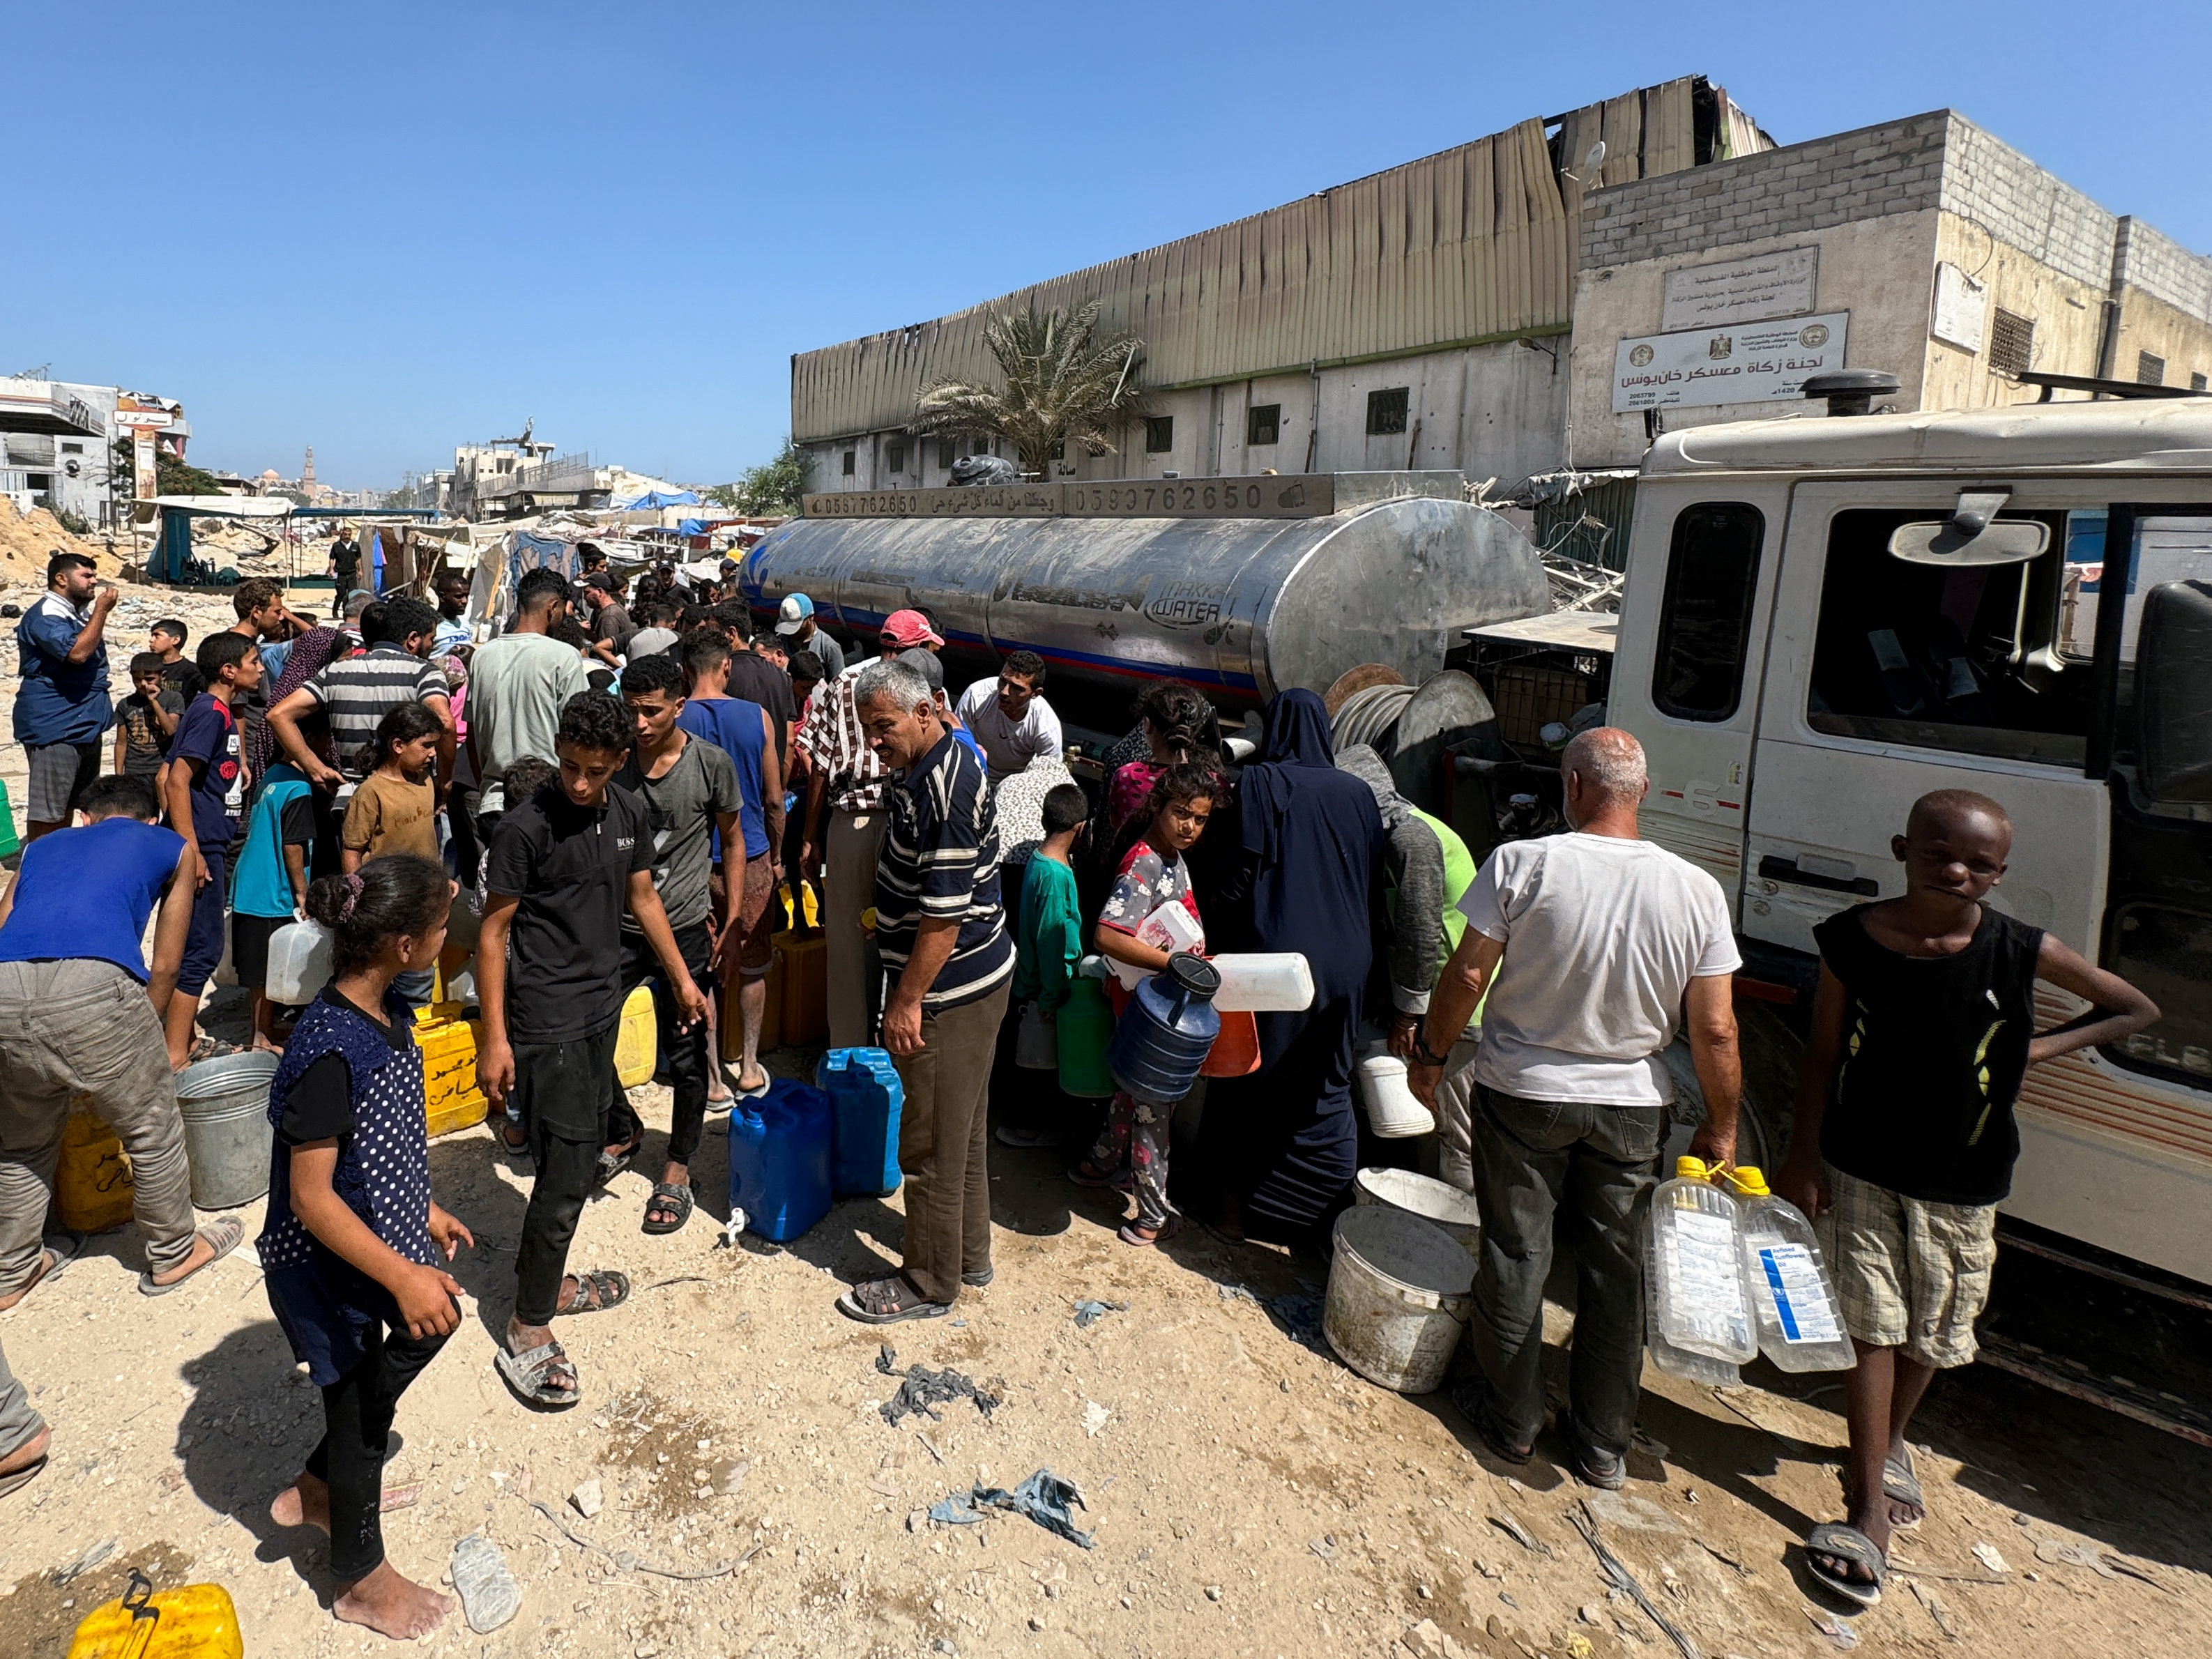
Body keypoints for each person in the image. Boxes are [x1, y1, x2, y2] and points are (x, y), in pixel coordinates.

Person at [1783, 790, 2156, 1603]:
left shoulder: (2017, 948)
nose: (1955, 871)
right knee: (1868, 1323)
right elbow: (1818, 1057)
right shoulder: (1850, 939)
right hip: (1860, 1163)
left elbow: (2133, 1008)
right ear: (1900, 848)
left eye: (1977, 864)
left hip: (1965, 1179)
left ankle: (1888, 1447)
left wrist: (2031, 1051)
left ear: (1998, 874)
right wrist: (1801, 1154)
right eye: (1937, 854)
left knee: (1932, 1331)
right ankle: (1867, 1503)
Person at [1407, 728, 1739, 1489]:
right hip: (1630, 1106)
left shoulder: (1522, 863)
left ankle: (1515, 1421)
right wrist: (1719, 1124)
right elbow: (1715, 1027)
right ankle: (1601, 1444)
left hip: (1523, 1094)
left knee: (1517, 1256)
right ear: (1641, 793)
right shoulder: (1694, 889)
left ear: (1574, 788)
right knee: (1615, 1274)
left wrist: (1429, 1057)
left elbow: (1464, 975)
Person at [476, 693, 708, 1408]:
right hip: (546, 1018)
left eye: (596, 772)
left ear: (617, 765)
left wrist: (681, 979)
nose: (580, 784)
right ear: (557, 748)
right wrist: (494, 1037)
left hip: (603, 1005)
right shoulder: (524, 828)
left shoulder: (627, 810)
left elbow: (641, 897)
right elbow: (493, 936)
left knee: (572, 1153)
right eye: (571, 767)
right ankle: (528, 1324)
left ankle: (546, 1281)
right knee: (570, 1167)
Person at [259, 857, 469, 1642]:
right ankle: (358, 1575)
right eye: (444, 931)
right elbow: (313, 1198)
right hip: (323, 1264)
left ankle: (319, 1489)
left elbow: (375, 1147)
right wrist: (403, 1274)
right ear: (407, 946)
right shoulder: (329, 1047)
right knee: (355, 1412)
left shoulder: (387, 1014)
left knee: (425, 1332)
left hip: (376, 1238)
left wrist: (425, 1208)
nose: (449, 942)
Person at [0, 773, 243, 1304]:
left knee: (20, 1142)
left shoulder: (41, 845)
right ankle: (175, 1254)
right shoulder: (171, 845)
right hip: (94, 983)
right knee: (151, 1129)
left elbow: (3, 923)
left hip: (4, 984)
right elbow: (167, 962)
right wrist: (143, 1032)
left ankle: (12, 1269)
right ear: (150, 818)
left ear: (85, 817)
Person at [836, 659, 1013, 1323]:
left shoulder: (948, 786)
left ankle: (929, 1282)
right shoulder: (920, 769)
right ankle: (967, 1253)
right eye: (866, 730)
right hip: (969, 981)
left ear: (927, 711)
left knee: (930, 1145)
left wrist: (904, 1001)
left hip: (949, 991)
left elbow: (944, 916)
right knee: (959, 1131)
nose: (874, 742)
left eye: (882, 728)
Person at [1195, 689, 1382, 1246]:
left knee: (1246, 1077)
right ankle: (1320, 1218)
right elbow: (1372, 878)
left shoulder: (1258, 785)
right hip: (1349, 959)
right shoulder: (1359, 793)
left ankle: (1231, 1214)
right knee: (1327, 1083)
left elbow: (1236, 876)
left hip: (1273, 963)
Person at [607, 654, 747, 1232]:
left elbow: (733, 841)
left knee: (688, 1056)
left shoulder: (710, 765)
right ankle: (622, 1129)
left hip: (686, 928)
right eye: (631, 711)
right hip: (614, 931)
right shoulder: (612, 765)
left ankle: (677, 1166)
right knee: (586, 1038)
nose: (639, 724)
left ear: (679, 706)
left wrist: (734, 918)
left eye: (651, 711)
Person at [1069, 763, 1223, 1244]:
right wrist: (1172, 965)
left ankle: (1097, 1165)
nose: (1189, 827)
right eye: (1180, 814)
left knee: (1135, 1096)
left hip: (1157, 1009)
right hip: (1147, 1010)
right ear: (1157, 806)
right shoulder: (1145, 864)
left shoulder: (1172, 858)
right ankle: (1152, 1214)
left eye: (1199, 819)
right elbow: (1107, 935)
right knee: (1154, 1109)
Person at [1336, 743, 1482, 1186]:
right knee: (1416, 1112)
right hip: (1436, 998)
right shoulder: (1394, 834)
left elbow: (1419, 930)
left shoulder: (1411, 838)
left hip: (1458, 1004)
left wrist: (1407, 1013)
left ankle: (1456, 1234)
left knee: (1454, 1128)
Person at [673, 634, 784, 1100]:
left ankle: (713, 1077)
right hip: (753, 854)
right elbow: (774, 797)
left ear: (685, 671)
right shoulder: (756, 718)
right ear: (725, 669)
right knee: (753, 963)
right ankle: (751, 1066)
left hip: (694, 859)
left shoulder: (676, 718)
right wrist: (777, 857)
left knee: (704, 967)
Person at [797, 627, 902, 1050]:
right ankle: (893, 1054)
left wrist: (810, 835)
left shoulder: (844, 685)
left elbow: (819, 764)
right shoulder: (925, 689)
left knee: (848, 943)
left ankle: (849, 1049)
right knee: (899, 937)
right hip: (900, 824)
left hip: (854, 823)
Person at [164, 632, 262, 1069]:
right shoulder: (208, 713)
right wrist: (191, 849)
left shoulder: (214, 711)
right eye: (253, 661)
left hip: (207, 841)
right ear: (230, 670)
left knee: (185, 944)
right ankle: (175, 1052)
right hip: (202, 845)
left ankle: (174, 1039)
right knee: (202, 947)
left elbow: (165, 772)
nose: (259, 668)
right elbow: (176, 780)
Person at [270, 596, 454, 795]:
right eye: (431, 639)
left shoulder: (335, 671)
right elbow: (446, 723)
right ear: (413, 639)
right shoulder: (425, 673)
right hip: (406, 798)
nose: (433, 647)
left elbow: (278, 715)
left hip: (350, 797)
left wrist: (315, 769)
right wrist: (444, 781)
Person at [998, 783, 1090, 1153]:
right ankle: (1029, 1130)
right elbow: (1053, 941)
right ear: (1081, 828)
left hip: (1032, 984)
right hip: (1041, 991)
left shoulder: (1039, 861)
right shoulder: (1055, 878)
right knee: (1037, 1067)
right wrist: (1052, 997)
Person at [467, 567, 589, 829]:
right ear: (553, 607)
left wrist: (487, 785)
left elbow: (471, 733)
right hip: (548, 804)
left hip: (494, 806)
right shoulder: (564, 657)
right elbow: (580, 732)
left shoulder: (482, 656)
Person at [15, 551, 117, 842]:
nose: (94, 581)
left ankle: (61, 859)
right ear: (61, 579)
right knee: (49, 811)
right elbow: (78, 653)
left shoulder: (74, 614)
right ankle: (40, 866)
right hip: (56, 726)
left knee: (74, 803)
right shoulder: (47, 615)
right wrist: (101, 611)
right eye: (86, 575)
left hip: (83, 725)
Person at [233, 758, 318, 1053]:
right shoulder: (297, 787)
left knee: (259, 973)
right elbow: (293, 844)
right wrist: (302, 894)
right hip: (273, 890)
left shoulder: (272, 775)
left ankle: (263, 1030)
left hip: (251, 883)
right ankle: (260, 1036)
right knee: (268, 970)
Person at [1103, 680, 1219, 850]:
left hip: (1132, 867)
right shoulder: (1211, 784)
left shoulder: (1127, 776)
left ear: (1147, 726)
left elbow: (1114, 825)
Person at [342, 704, 442, 873]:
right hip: (388, 889)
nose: (433, 753)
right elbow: (352, 850)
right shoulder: (371, 792)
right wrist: (355, 893)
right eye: (426, 745)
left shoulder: (425, 780)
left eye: (434, 746)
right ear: (398, 746)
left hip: (425, 885)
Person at [954, 652, 1062, 783]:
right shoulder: (977, 696)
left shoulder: (1045, 725)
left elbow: (1048, 775)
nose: (1004, 692)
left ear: (1035, 693)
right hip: (973, 774)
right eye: (1003, 681)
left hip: (1017, 785)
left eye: (1017, 688)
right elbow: (957, 745)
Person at [114, 652, 184, 790]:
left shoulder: (173, 699)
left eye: (149, 679)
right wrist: (118, 775)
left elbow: (170, 730)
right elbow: (121, 742)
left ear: (162, 676)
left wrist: (154, 702)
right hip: (135, 769)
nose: (143, 685)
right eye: (137, 680)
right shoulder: (126, 704)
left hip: (163, 766)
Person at [774, 592, 845, 679]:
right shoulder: (779, 641)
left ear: (811, 617)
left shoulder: (829, 647)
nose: (791, 633)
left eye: (797, 627)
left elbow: (838, 685)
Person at [579, 572, 636, 667]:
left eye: (587, 593)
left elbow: (605, 652)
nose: (585, 598)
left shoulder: (609, 616)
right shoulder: (616, 608)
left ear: (600, 592)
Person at [150, 618, 206, 703]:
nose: (151, 640)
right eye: (152, 636)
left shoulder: (192, 671)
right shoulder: (149, 668)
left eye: (157, 636)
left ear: (175, 640)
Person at [430, 569, 473, 659]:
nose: (465, 601)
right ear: (442, 597)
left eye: (467, 596)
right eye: (459, 596)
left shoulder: (465, 624)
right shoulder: (432, 626)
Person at [326, 525, 364, 607]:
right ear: (342, 535)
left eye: (349, 535)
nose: (347, 536)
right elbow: (332, 558)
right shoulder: (336, 546)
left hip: (352, 573)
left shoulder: (355, 546)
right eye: (345, 534)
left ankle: (346, 610)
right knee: (341, 593)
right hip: (340, 573)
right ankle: (335, 608)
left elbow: (358, 558)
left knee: (352, 594)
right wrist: (331, 569)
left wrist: (360, 570)